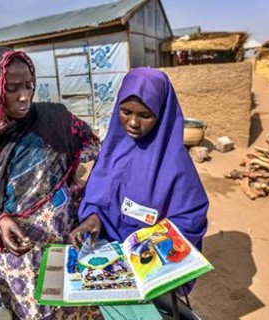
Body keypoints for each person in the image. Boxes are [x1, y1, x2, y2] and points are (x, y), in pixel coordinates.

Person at [0, 47, 102, 320]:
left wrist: (88, 198)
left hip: (63, 242)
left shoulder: (56, 120)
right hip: (15, 261)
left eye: (29, 85)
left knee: (75, 307)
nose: (25, 96)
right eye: (13, 88)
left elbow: (98, 156)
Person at [70, 67, 208, 317]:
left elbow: (191, 218)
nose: (133, 123)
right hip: (108, 268)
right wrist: (92, 217)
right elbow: (99, 197)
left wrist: (149, 249)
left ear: (162, 115)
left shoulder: (176, 166)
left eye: (145, 115)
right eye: (126, 112)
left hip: (148, 274)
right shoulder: (110, 152)